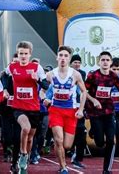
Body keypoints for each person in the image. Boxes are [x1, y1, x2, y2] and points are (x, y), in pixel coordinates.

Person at [5, 41, 48, 172]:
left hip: (34, 108)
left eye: (25, 54)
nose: (23, 56)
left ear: (30, 54)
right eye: (20, 54)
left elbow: (46, 85)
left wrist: (38, 79)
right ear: (17, 54)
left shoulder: (36, 67)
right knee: (25, 128)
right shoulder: (12, 67)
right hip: (18, 107)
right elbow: (4, 76)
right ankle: (22, 154)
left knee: (30, 138)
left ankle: (24, 161)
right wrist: (6, 90)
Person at [43, 46, 86, 174]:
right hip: (55, 110)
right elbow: (42, 90)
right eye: (61, 55)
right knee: (59, 140)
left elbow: (84, 92)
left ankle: (59, 150)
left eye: (66, 56)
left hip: (71, 111)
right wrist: (45, 99)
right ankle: (63, 167)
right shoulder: (50, 74)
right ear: (57, 57)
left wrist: (81, 109)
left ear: (69, 59)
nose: (63, 58)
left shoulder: (75, 74)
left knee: (67, 145)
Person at [85, 51, 119, 174]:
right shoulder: (93, 76)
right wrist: (93, 100)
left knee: (110, 140)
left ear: (111, 62)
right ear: (99, 62)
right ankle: (94, 130)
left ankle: (106, 170)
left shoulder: (113, 76)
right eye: (103, 60)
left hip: (109, 111)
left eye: (107, 60)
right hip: (95, 112)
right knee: (99, 142)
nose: (105, 62)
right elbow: (84, 91)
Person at [69, 54, 87, 168]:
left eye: (78, 62)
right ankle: (69, 150)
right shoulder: (66, 72)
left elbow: (84, 90)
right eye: (75, 62)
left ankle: (77, 157)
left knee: (81, 131)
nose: (77, 64)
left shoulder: (82, 74)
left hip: (79, 106)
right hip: (67, 106)